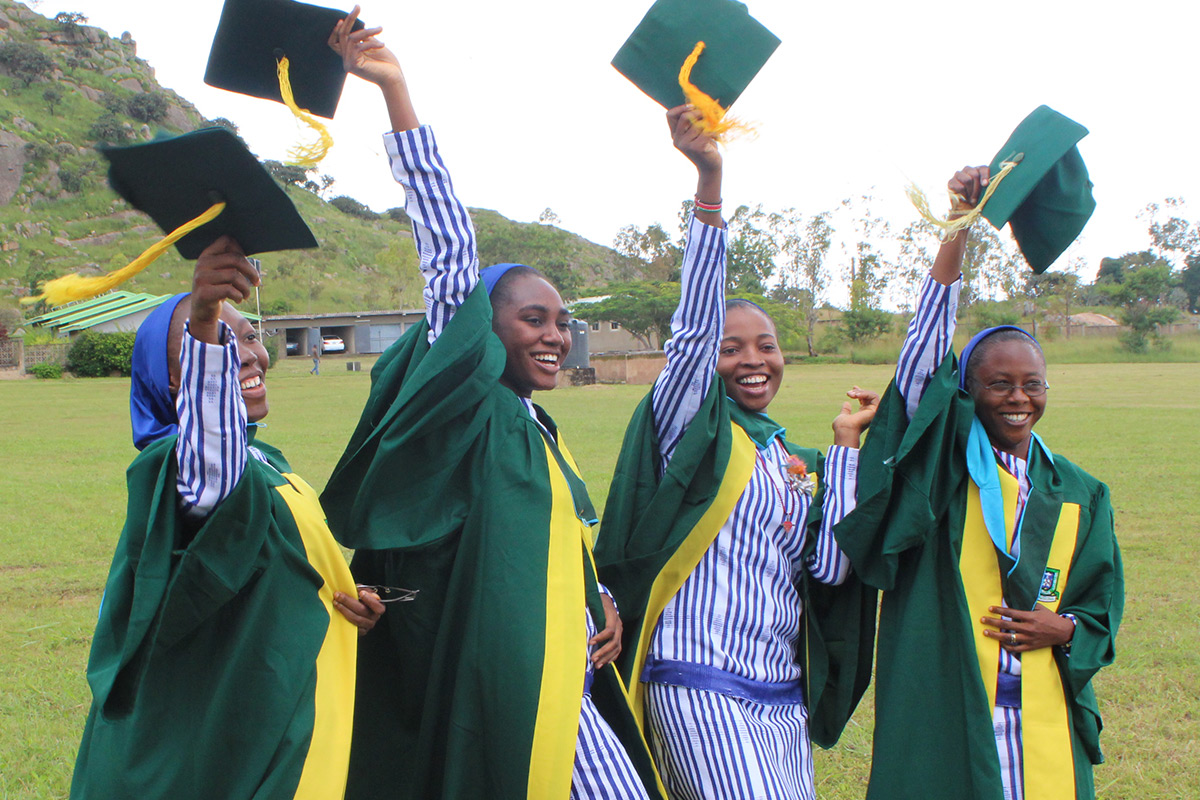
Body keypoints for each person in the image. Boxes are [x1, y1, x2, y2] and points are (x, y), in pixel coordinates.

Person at [318, 8, 662, 800]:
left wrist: (597, 598)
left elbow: (543, 544)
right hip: (507, 683)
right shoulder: (467, 405)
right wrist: (397, 93)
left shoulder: (531, 424)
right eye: (532, 319)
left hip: (564, 670)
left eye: (563, 324)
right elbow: (450, 258)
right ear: (481, 330)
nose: (554, 337)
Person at [594, 106, 879, 800]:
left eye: (766, 345)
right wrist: (710, 183)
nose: (753, 361)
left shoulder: (788, 458)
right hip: (697, 682)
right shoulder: (689, 428)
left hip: (780, 696)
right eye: (733, 348)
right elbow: (691, 336)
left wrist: (843, 452)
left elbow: (833, 568)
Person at [834, 166, 1124, 800]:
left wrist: (1064, 630)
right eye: (998, 384)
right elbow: (920, 358)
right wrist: (960, 226)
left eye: (1033, 384)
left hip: (1044, 709)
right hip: (949, 704)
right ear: (965, 392)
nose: (1018, 398)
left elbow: (1101, 604)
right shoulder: (941, 468)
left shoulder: (1081, 491)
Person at [70, 235, 385, 799]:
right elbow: (211, 472)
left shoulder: (264, 460)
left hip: (282, 699)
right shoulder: (179, 470)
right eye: (217, 342)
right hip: (227, 733)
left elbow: (246, 558)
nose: (246, 354)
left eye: (248, 336)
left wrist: (339, 592)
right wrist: (205, 313)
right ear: (175, 381)